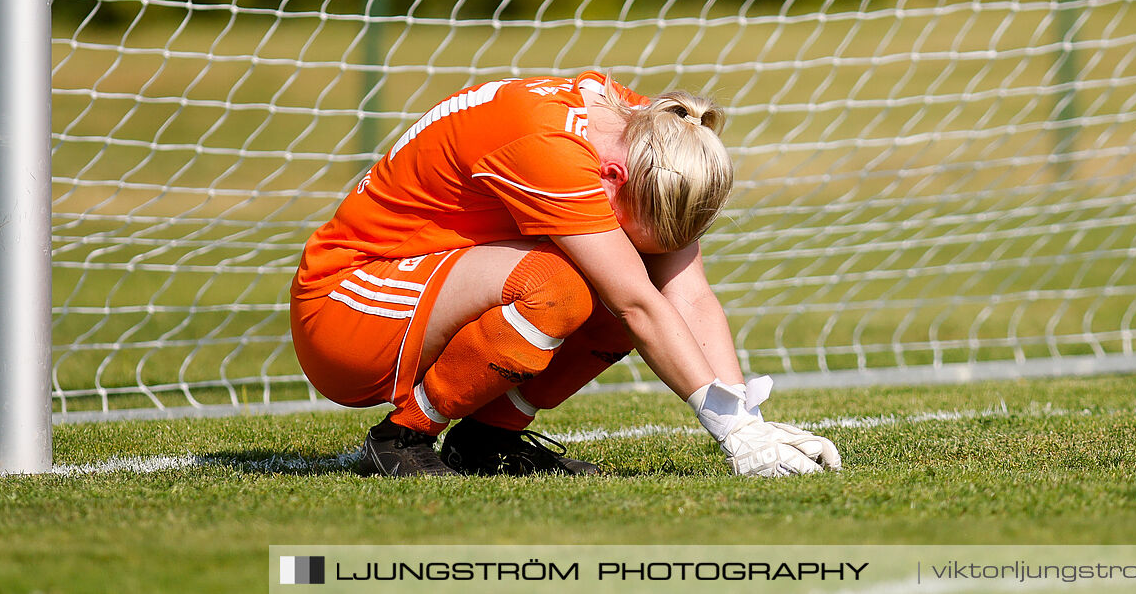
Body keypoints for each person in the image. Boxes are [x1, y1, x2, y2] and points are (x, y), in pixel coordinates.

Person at [289, 70, 840, 478]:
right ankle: (402, 436)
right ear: (613, 176)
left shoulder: (660, 134)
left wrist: (748, 417)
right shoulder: (551, 147)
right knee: (562, 287)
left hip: (433, 284)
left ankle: (487, 440)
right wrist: (731, 433)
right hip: (345, 309)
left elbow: (687, 293)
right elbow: (637, 302)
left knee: (618, 280)